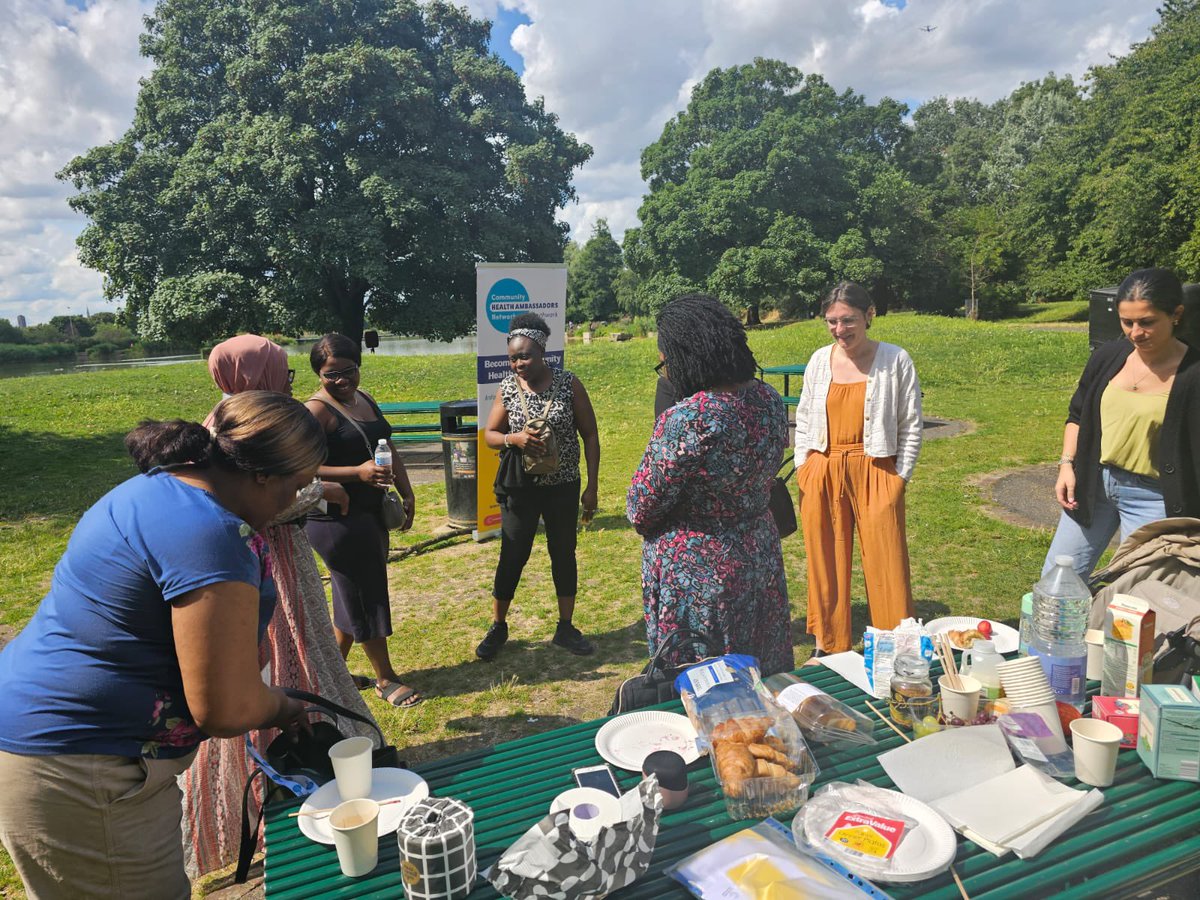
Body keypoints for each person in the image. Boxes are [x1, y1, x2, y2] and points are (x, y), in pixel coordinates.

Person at [0, 393, 322, 899]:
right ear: (263, 475)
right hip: (85, 767)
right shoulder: (210, 534)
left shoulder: (163, 488)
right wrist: (283, 704)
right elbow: (224, 707)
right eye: (297, 486)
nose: (293, 503)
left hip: (68, 747)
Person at [180, 335, 379, 879]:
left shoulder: (225, 426)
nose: (290, 381)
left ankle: (307, 754)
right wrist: (322, 493)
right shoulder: (233, 435)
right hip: (261, 564)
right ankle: (270, 780)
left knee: (300, 651)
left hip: (278, 558)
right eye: (280, 373)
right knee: (270, 656)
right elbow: (269, 498)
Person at [627, 293, 794, 676]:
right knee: (761, 678)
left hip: (701, 573)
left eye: (666, 362)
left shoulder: (690, 419)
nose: (666, 372)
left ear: (689, 356)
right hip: (758, 554)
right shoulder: (768, 399)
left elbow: (640, 508)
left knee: (710, 691)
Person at [1045, 267, 1200, 578]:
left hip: (1156, 499)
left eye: (1146, 322)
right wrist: (1066, 465)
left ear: (1176, 315)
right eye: (1126, 322)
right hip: (1093, 485)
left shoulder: (1193, 374)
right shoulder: (1108, 357)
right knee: (1056, 583)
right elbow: (1077, 415)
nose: (1135, 332)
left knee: (1136, 598)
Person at [794, 282, 922, 657]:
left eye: (848, 320)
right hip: (823, 468)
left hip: (877, 469)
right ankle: (828, 644)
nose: (839, 330)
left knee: (887, 563)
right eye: (831, 322)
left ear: (869, 316)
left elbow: (910, 423)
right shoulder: (820, 360)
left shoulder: (896, 359)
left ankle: (895, 645)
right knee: (825, 561)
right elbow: (803, 418)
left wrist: (899, 478)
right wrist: (805, 466)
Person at [305, 334, 422, 707]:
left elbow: (387, 447)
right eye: (331, 375)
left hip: (370, 513)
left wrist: (406, 491)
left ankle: (329, 676)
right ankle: (385, 679)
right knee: (366, 594)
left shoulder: (364, 399)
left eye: (348, 371)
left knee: (349, 594)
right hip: (336, 520)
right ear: (318, 375)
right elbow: (300, 466)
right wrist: (355, 472)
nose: (342, 381)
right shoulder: (315, 411)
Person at [476, 312, 600, 660]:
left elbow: (590, 435)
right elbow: (489, 435)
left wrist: (592, 486)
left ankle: (565, 627)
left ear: (543, 352)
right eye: (513, 357)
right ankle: (498, 626)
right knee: (513, 554)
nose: (518, 363)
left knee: (563, 552)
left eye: (525, 356)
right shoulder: (506, 388)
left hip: (563, 486)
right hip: (520, 487)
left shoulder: (568, 384)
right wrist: (513, 438)